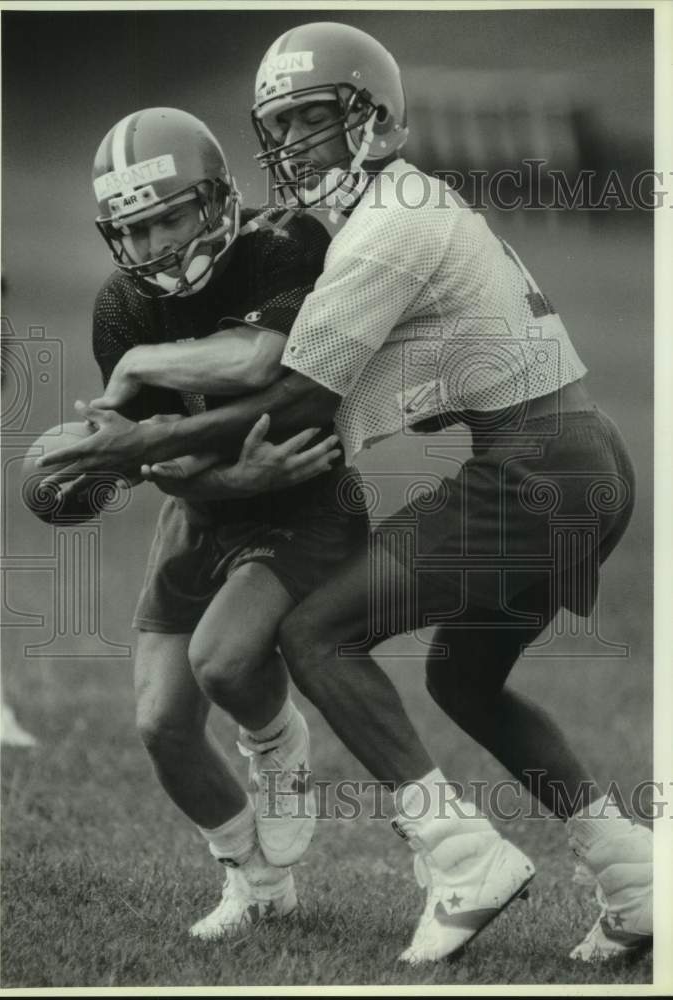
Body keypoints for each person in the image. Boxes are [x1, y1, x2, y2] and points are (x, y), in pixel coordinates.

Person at [39, 29, 653, 965]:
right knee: (463, 680)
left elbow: (295, 395)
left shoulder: (383, 225)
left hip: (537, 470)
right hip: (573, 458)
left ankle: (460, 855)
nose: (296, 149)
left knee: (316, 631)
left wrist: (135, 439)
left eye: (315, 122)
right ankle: (635, 874)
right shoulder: (389, 212)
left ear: (374, 113)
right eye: (279, 127)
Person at [46, 106, 368, 941]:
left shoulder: (287, 240)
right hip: (207, 507)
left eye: (168, 218)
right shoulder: (121, 304)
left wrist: (143, 365)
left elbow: (259, 360)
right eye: (133, 228)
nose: (151, 245)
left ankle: (274, 737)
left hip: (303, 497)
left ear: (219, 198)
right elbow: (156, 459)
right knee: (159, 723)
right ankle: (255, 882)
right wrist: (226, 476)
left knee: (224, 663)